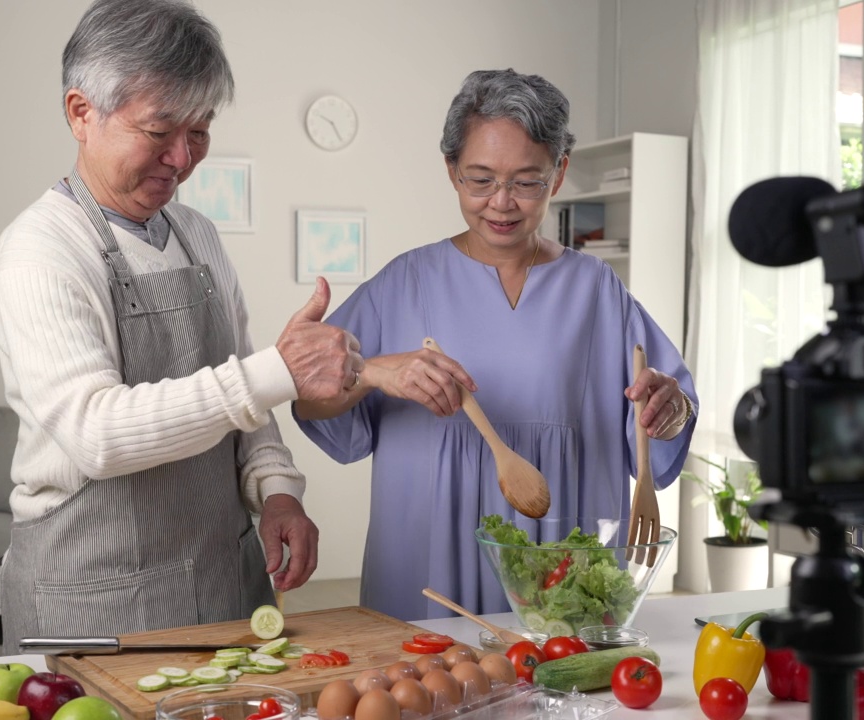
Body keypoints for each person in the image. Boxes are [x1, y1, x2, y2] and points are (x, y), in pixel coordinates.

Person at [0, 0, 363, 652]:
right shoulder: (41, 247)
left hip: (222, 578)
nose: (183, 158)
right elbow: (97, 433)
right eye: (159, 130)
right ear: (82, 114)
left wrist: (277, 491)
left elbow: (247, 396)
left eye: (201, 130)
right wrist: (279, 369)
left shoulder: (198, 235)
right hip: (94, 596)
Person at [293, 69, 697, 621]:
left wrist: (669, 409)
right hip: (425, 554)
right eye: (479, 180)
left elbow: (664, 422)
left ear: (558, 175)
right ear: (451, 172)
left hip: (559, 554)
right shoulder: (403, 282)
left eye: (526, 182)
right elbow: (308, 400)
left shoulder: (597, 290)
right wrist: (372, 371)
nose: (501, 203)